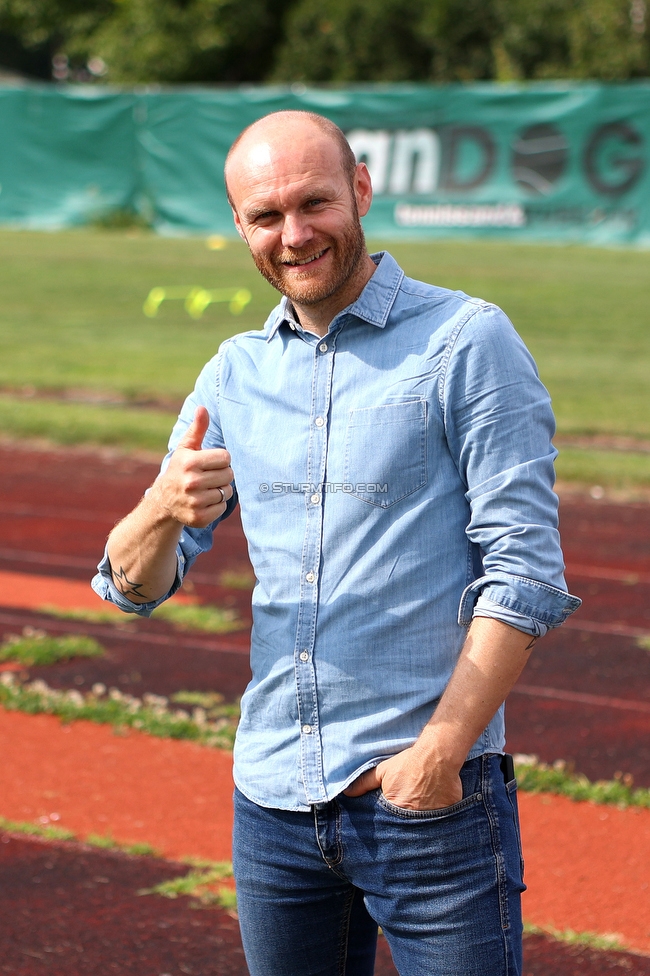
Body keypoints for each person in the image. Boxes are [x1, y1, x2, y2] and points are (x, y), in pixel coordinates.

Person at [92, 110, 580, 976]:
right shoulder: (234, 373)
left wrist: (438, 754)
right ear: (240, 227)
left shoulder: (466, 341)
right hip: (272, 809)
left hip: (430, 811)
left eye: (314, 202)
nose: (294, 233)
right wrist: (162, 507)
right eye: (266, 216)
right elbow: (132, 585)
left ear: (359, 189)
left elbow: (525, 574)